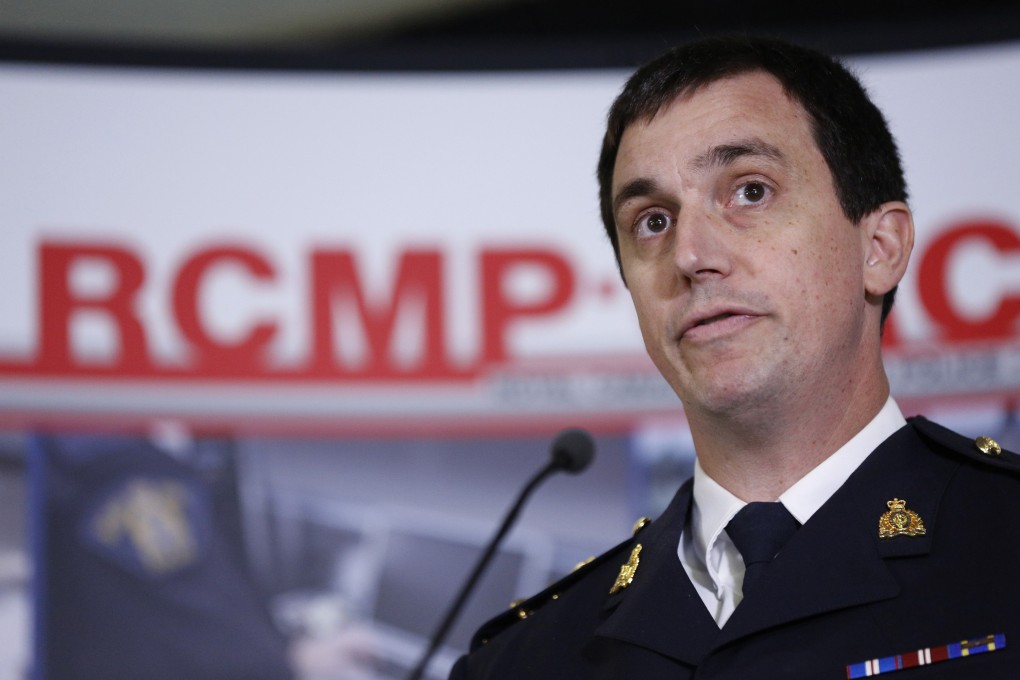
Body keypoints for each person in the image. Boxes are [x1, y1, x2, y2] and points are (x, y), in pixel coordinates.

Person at [451, 35, 1020, 679]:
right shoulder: (524, 662)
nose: (691, 256)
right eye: (653, 221)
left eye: (750, 191)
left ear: (880, 247)